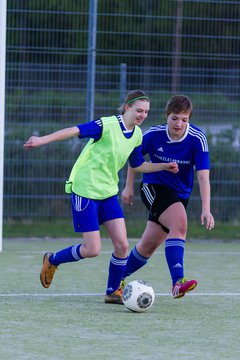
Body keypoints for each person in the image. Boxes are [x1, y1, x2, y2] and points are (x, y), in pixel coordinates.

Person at [24, 90, 179, 304]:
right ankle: (52, 260)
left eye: (146, 112)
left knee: (123, 246)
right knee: (92, 249)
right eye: (139, 110)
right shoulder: (106, 125)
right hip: (85, 189)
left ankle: (112, 291)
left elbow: (137, 165)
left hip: (107, 193)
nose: (143, 115)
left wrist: (163, 166)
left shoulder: (136, 135)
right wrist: (42, 140)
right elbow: (74, 130)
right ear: (127, 108)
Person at [121, 95, 215, 299]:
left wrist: (206, 209)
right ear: (167, 116)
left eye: (184, 119)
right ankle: (177, 282)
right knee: (180, 223)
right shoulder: (154, 135)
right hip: (153, 187)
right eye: (174, 118)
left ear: (189, 119)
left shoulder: (197, 138)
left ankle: (116, 280)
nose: (179, 124)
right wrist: (128, 187)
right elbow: (134, 158)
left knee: (148, 246)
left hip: (180, 195)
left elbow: (202, 175)